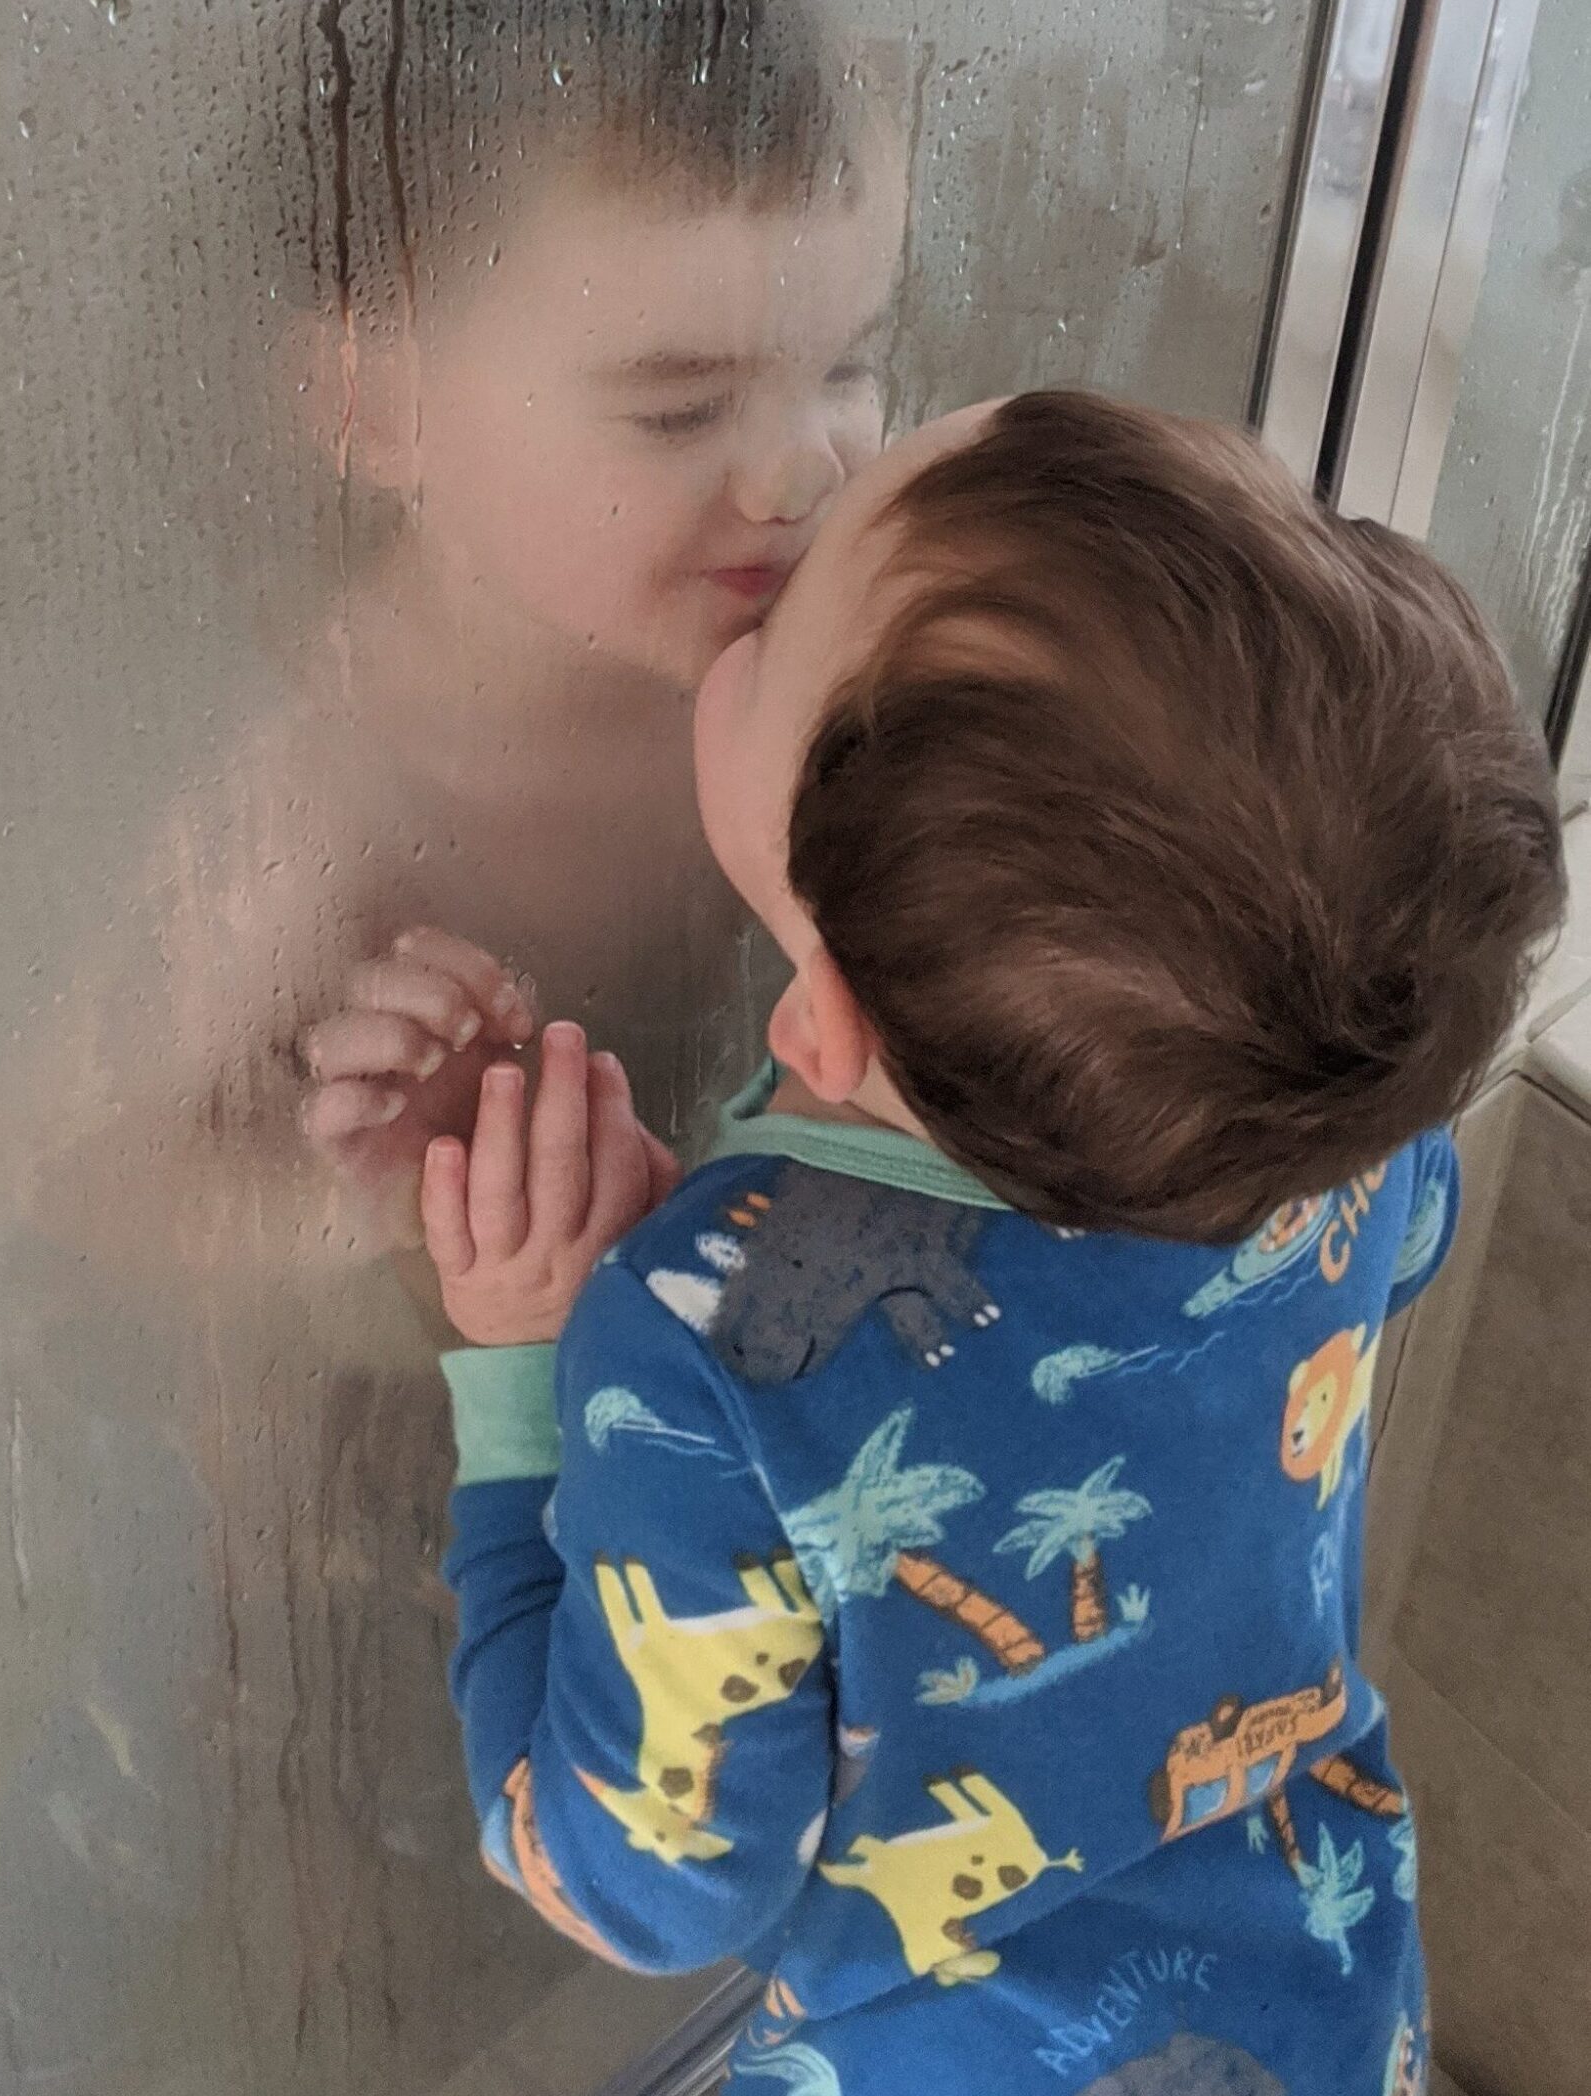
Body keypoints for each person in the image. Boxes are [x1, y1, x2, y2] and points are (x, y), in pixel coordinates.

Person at [419, 391, 1565, 2095]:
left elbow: (634, 1879)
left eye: (798, 602)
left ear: (825, 1026)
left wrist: (531, 1375)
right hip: (1313, 1989)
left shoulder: (702, 1335)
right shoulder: (1336, 1117)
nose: (800, 492)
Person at [0, 0, 905, 1272]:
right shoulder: (317, 795)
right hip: (422, 1375)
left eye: (851, 362)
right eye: (679, 405)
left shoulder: (841, 646)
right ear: (374, 409)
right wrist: (368, 1208)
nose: (806, 470)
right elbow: (55, 1172)